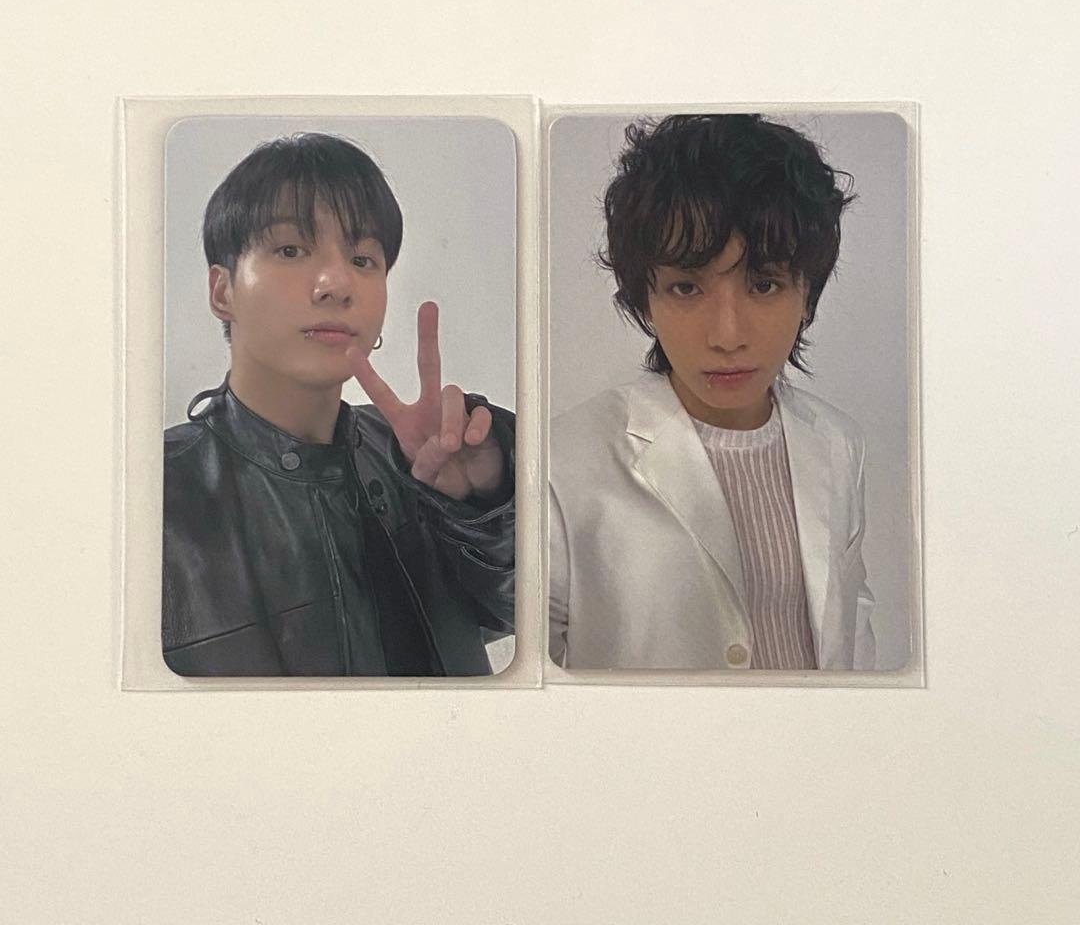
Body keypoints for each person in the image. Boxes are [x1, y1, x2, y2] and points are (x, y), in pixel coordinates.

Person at [163, 132, 514, 676]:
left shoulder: (421, 460)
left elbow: (521, 616)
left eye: (363, 258)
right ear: (223, 291)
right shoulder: (153, 494)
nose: (337, 284)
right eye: (290, 250)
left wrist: (482, 503)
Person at [548, 114, 875, 671]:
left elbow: (851, 631)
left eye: (764, 284)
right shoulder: (565, 458)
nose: (727, 335)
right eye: (686, 287)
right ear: (644, 298)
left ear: (807, 293)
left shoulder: (838, 444)